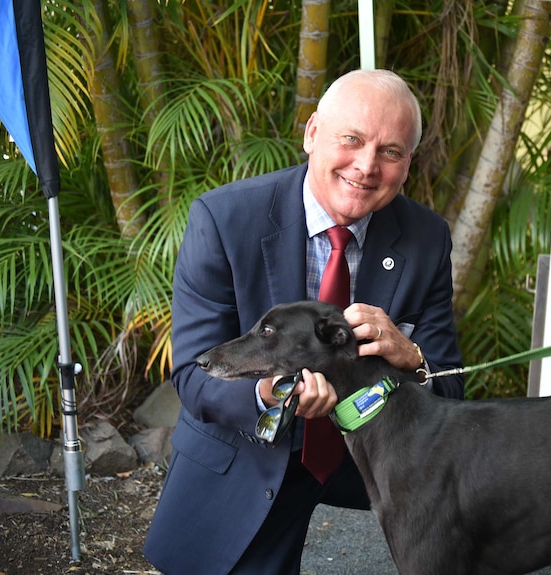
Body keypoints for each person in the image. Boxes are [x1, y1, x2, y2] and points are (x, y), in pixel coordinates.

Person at [143, 69, 464, 574]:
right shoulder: (225, 219)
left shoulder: (425, 237)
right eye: (352, 140)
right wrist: (269, 393)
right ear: (312, 133)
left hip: (373, 457)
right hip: (251, 448)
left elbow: (450, 385)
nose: (366, 166)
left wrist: (413, 356)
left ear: (407, 164)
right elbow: (193, 374)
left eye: (391, 152)